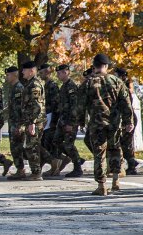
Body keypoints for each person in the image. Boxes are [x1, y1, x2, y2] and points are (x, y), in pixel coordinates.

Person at [78, 54, 133, 196]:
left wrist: (80, 121)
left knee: (99, 153)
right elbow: (126, 104)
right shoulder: (116, 81)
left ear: (94, 66)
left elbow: (80, 105)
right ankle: (115, 181)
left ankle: (102, 185)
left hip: (97, 124)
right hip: (114, 123)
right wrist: (128, 121)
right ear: (107, 66)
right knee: (115, 149)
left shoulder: (88, 83)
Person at [20, 61, 60, 181]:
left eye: (24, 70)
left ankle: (36, 173)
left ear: (31, 71)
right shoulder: (30, 83)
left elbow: (36, 105)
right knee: (34, 145)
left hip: (35, 121)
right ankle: (52, 161)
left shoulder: (34, 85)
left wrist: (32, 122)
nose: (22, 72)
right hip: (32, 120)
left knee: (31, 146)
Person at [53, 64, 84, 177]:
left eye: (59, 73)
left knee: (69, 144)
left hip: (70, 121)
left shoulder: (71, 86)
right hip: (63, 120)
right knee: (56, 141)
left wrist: (71, 123)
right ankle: (77, 158)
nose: (58, 75)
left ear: (66, 72)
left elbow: (75, 106)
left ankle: (78, 167)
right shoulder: (64, 87)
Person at [113, 67, 139, 175]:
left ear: (122, 77)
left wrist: (128, 122)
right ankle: (132, 163)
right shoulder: (119, 87)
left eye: (116, 75)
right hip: (124, 118)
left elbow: (127, 106)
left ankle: (132, 164)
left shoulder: (124, 88)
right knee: (124, 143)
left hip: (128, 118)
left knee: (125, 144)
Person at [4, 66, 27, 180]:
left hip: (17, 123)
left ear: (14, 75)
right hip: (13, 122)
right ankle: (20, 169)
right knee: (15, 147)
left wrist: (19, 125)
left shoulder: (19, 88)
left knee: (17, 147)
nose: (6, 77)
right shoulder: (13, 88)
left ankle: (21, 170)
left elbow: (20, 109)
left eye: (8, 75)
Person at [38, 63, 60, 175]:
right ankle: (40, 168)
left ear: (47, 72)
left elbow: (56, 104)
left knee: (49, 143)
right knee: (44, 142)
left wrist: (53, 121)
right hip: (46, 117)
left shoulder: (53, 85)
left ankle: (54, 167)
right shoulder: (45, 85)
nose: (40, 75)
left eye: (41, 73)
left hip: (51, 118)